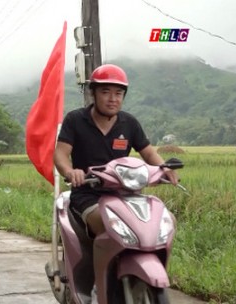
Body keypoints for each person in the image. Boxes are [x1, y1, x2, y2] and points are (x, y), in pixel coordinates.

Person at [53, 64, 179, 301]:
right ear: (93, 93)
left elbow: (149, 154)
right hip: (89, 195)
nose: (113, 99)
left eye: (118, 93)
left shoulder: (129, 123)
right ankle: (96, 286)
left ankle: (147, 271)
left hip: (127, 195)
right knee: (108, 225)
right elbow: (60, 154)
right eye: (106, 92)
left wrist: (165, 169)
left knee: (167, 220)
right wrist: (71, 172)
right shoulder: (76, 120)